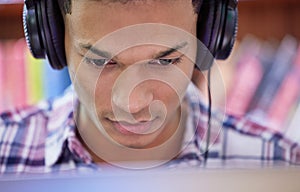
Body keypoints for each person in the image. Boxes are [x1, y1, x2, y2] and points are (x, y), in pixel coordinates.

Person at [0, 0, 299, 173]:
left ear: (209, 36)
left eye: (164, 62)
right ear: (52, 38)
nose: (133, 104)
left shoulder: (281, 165)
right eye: (101, 62)